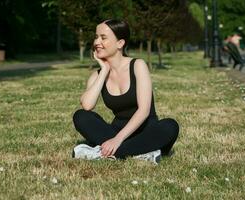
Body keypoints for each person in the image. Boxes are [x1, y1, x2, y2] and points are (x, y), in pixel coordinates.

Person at [72, 19, 179, 164]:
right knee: (81, 116)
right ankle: (141, 154)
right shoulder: (97, 75)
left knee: (170, 126)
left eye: (103, 38)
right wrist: (104, 70)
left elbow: (144, 111)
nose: (97, 42)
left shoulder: (138, 66)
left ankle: (104, 153)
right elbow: (87, 105)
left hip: (146, 132)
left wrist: (117, 140)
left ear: (120, 43)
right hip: (115, 130)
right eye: (96, 37)